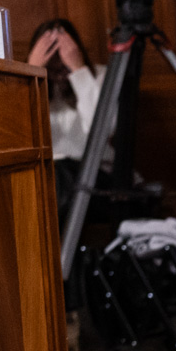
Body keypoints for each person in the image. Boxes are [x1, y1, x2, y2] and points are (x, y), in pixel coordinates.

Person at [26, 18, 107, 219]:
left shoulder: (99, 75)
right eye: (52, 65)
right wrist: (32, 74)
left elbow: (103, 130)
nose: (59, 70)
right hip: (46, 178)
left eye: (63, 62)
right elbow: (18, 134)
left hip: (92, 173)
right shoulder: (26, 86)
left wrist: (78, 71)